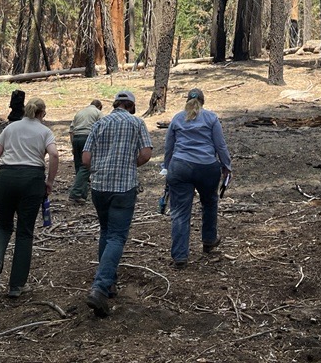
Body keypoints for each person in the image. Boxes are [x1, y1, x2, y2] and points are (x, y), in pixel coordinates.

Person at [83, 90, 152, 317]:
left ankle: (110, 282)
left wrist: (100, 168)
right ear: (131, 105)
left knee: (105, 232)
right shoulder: (136, 123)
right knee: (116, 236)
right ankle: (100, 287)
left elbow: (86, 158)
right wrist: (130, 164)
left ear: (115, 104)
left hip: (99, 186)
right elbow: (146, 154)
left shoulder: (100, 124)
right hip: (123, 187)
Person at [0, 97, 58, 298]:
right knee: (24, 232)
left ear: (26, 111)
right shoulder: (45, 131)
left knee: (3, 226)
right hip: (31, 180)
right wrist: (49, 181)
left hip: (5, 177)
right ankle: (16, 286)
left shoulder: (11, 128)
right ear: (42, 113)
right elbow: (55, 155)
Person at [162, 87, 232, 269]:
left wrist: (166, 167)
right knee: (209, 202)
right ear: (203, 101)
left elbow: (169, 146)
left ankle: (180, 256)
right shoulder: (211, 118)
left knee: (179, 212)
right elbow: (220, 145)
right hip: (207, 167)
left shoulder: (177, 118)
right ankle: (209, 240)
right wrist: (226, 166)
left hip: (180, 167)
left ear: (187, 101)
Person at [68, 98, 103, 203]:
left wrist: (73, 146)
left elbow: (71, 130)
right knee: (86, 166)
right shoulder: (98, 112)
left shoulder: (80, 112)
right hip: (87, 138)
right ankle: (76, 193)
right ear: (99, 107)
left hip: (76, 138)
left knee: (79, 166)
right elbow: (102, 127)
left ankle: (82, 194)